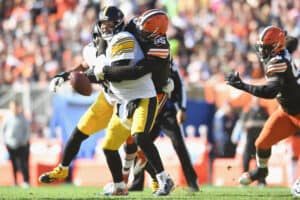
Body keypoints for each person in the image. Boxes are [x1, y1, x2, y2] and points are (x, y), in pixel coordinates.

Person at [93, 6, 174, 196]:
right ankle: (120, 184)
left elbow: (137, 71)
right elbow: (105, 41)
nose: (140, 31)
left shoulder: (160, 46)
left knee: (140, 136)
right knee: (111, 146)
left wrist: (104, 72)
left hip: (153, 91)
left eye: (145, 30)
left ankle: (163, 179)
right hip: (126, 97)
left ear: (155, 33)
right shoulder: (132, 28)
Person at [226, 26, 300, 186]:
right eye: (261, 47)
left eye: (266, 48)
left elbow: (270, 92)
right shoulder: (282, 49)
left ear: (276, 47)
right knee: (261, 143)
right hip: (288, 111)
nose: (262, 51)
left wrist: (243, 86)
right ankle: (261, 170)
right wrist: (282, 36)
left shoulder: (278, 62)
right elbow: (293, 41)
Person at [126, 59, 199, 193]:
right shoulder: (143, 57)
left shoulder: (167, 59)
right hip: (148, 109)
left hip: (166, 111)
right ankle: (138, 182)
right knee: (140, 141)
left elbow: (179, 84)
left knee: (179, 145)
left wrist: (182, 108)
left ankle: (192, 182)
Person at [240, 97, 269, 186]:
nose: (256, 102)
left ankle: (261, 181)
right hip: (250, 139)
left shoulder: (264, 110)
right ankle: (245, 180)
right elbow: (242, 123)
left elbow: (268, 123)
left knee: (260, 160)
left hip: (260, 139)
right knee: (246, 159)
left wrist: (254, 123)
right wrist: (250, 124)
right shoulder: (247, 110)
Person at [1, 100, 30, 188]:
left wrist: (24, 141)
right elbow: (3, 130)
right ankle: (15, 181)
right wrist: (5, 141)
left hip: (21, 144)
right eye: (12, 107)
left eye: (15, 107)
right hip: (10, 144)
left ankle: (25, 181)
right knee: (13, 164)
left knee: (23, 163)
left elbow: (27, 130)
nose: (14, 109)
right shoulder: (7, 117)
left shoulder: (23, 118)